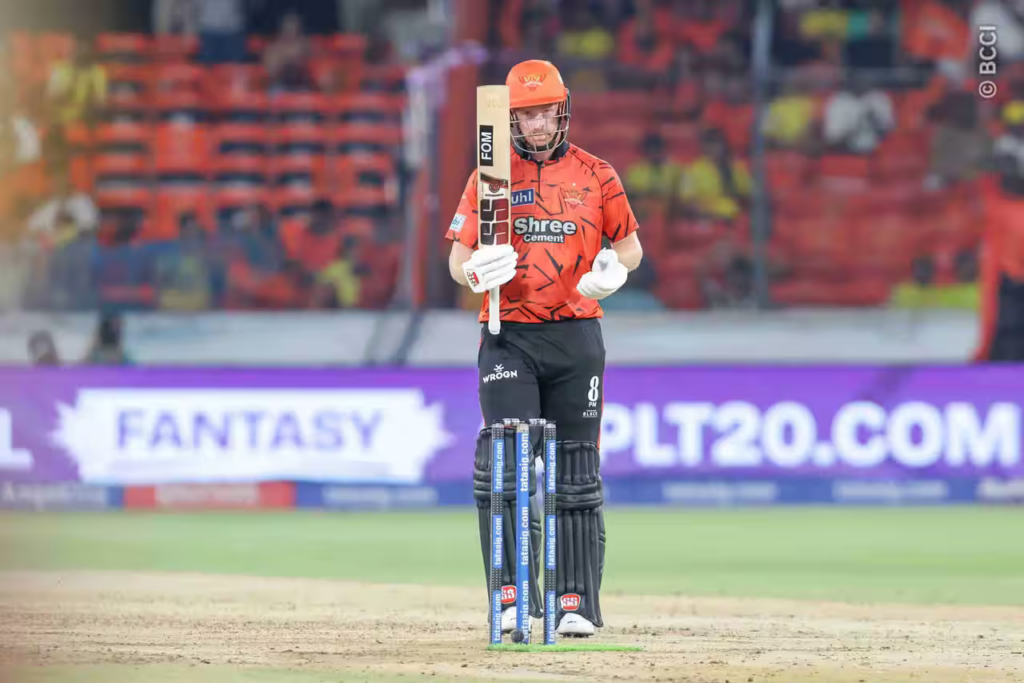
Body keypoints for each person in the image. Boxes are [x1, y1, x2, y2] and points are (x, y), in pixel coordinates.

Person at [445, 59, 644, 638]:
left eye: (545, 113)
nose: (536, 124)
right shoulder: (489, 178)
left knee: (575, 469)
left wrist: (613, 271)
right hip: (508, 333)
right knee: (506, 467)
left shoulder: (597, 174)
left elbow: (630, 248)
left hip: (577, 335)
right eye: (525, 114)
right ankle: (511, 599)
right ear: (509, 119)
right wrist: (473, 273)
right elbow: (458, 259)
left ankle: (574, 601)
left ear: (563, 112)